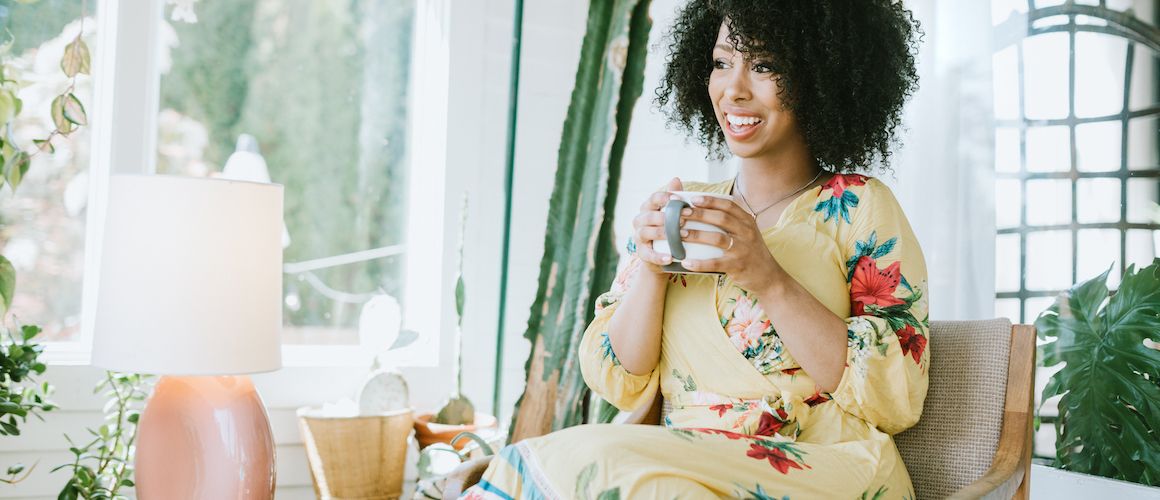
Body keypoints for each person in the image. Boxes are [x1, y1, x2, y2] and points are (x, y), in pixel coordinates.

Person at [464, 0, 927, 497]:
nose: (734, 89)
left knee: (589, 462)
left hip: (822, 466)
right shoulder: (688, 209)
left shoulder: (861, 206)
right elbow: (621, 378)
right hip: (687, 468)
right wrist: (651, 268)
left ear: (822, 76)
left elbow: (895, 397)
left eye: (766, 65)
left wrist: (765, 274)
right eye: (722, 62)